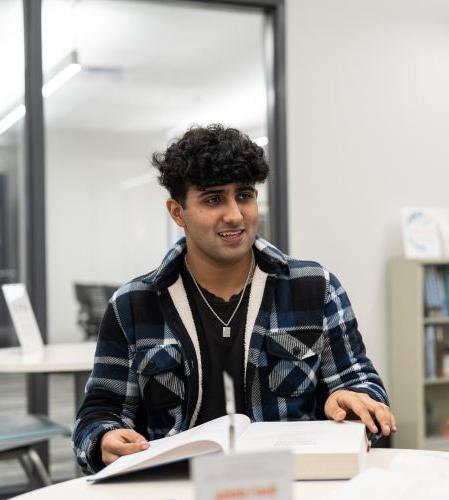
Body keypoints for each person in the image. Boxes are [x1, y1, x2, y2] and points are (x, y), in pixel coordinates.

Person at [72, 124, 395, 473]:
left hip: (292, 483)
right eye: (213, 199)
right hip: (177, 489)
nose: (235, 215)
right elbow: (99, 414)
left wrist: (351, 400)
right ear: (177, 212)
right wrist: (105, 437)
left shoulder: (315, 288)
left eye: (244, 195)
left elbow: (362, 384)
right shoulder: (134, 304)